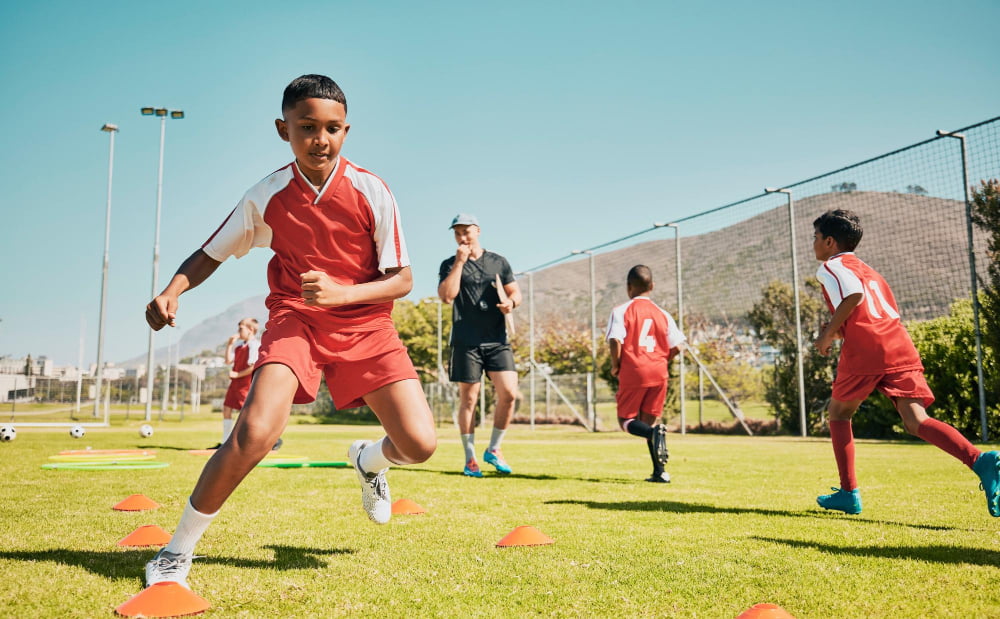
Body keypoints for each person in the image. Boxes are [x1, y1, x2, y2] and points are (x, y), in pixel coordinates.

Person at [142, 74, 437, 590]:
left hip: (366, 324)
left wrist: (344, 294)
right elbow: (211, 251)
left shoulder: (372, 190)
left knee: (419, 445)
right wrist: (173, 290)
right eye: (307, 127)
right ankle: (174, 553)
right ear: (284, 130)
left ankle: (369, 461)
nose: (320, 139)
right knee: (254, 433)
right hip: (295, 320)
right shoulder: (266, 194)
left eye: (333, 129)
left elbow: (404, 280)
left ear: (346, 131)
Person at [812, 209, 999, 516]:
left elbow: (854, 295)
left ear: (830, 242)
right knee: (916, 421)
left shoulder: (830, 266)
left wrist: (829, 335)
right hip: (898, 343)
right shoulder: (868, 269)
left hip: (867, 346)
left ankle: (849, 493)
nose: (814, 243)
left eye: (816, 237)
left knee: (839, 413)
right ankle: (980, 460)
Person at [438, 214, 522, 477]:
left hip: (497, 340)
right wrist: (460, 263)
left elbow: (515, 292)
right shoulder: (449, 264)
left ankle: (494, 449)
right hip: (466, 341)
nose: (463, 237)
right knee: (469, 399)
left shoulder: (499, 261)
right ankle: (470, 458)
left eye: (467, 232)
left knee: (509, 393)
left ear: (478, 231)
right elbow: (446, 296)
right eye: (458, 233)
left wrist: (512, 303)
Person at [605, 265, 685, 483]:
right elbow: (678, 346)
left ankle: (653, 437)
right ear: (652, 286)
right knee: (650, 423)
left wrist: (616, 365)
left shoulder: (621, 311)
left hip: (634, 370)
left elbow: (615, 339)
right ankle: (660, 472)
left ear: (629, 287)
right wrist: (660, 360)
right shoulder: (663, 314)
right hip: (659, 372)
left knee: (626, 420)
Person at [209, 318, 261, 450]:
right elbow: (228, 361)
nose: (238, 332)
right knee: (227, 408)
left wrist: (237, 374)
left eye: (241, 328)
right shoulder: (239, 346)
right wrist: (229, 345)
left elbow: (253, 366)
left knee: (249, 413)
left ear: (251, 330)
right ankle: (225, 442)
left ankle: (269, 439)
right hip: (235, 384)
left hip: (245, 383)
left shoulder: (254, 345)